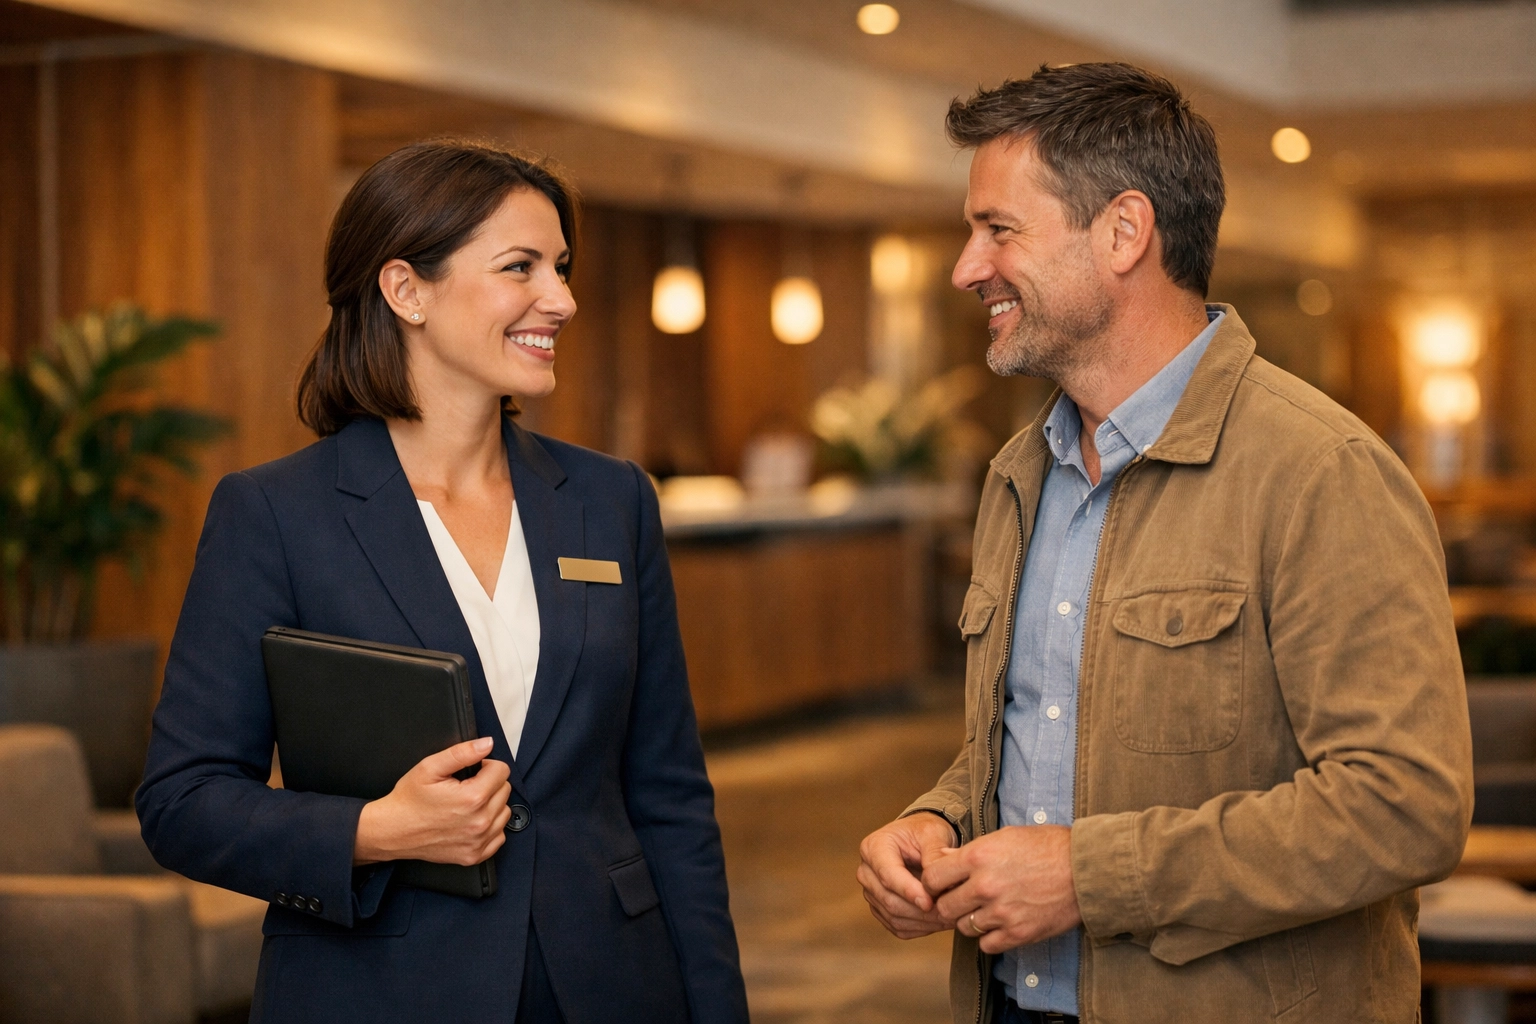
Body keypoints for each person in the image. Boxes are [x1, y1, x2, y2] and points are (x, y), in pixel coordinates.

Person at [857, 63, 1473, 1024]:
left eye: (999, 230)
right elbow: (1038, 736)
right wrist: (939, 817)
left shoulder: (1322, 472)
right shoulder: (1020, 475)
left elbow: (1405, 806)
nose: (967, 268)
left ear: (1124, 231)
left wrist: (1089, 876)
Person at [137, 140, 749, 1024]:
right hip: (381, 991)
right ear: (405, 290)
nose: (562, 299)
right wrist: (374, 831)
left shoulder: (611, 499)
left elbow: (671, 798)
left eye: (562, 268)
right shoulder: (275, 514)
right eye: (520, 267)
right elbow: (181, 800)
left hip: (612, 984)